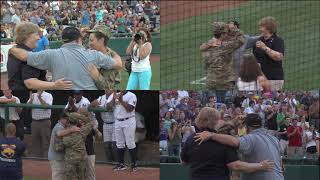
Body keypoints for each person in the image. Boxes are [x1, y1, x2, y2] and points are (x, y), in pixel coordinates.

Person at [9, 26, 122, 90]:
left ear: (63, 40)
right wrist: (114, 54)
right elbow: (118, 64)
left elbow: (23, 55)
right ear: (79, 40)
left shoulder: (51, 54)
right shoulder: (94, 54)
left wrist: (12, 49)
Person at [181, 108, 274, 180]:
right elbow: (235, 166)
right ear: (214, 122)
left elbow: (184, 162)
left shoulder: (190, 139)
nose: (221, 121)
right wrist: (261, 166)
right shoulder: (223, 140)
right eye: (219, 119)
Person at [7, 22, 72, 90]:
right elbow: (30, 83)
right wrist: (54, 85)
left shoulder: (17, 50)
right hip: (27, 96)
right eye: (36, 35)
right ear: (27, 36)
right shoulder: (24, 54)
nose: (38, 38)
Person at [199, 22, 245, 90]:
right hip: (224, 82)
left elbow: (202, 50)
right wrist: (233, 29)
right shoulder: (225, 46)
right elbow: (241, 39)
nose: (227, 34)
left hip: (210, 81)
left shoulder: (207, 46)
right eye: (226, 33)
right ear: (222, 34)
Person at [106, 91, 138, 171]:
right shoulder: (114, 94)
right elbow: (108, 108)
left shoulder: (131, 95)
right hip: (117, 121)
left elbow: (130, 109)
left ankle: (134, 165)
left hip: (129, 120)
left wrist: (121, 101)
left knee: (130, 143)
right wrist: (113, 99)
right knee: (119, 143)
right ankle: (120, 164)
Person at [84, 25, 121, 90]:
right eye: (89, 40)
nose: (89, 43)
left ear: (101, 41)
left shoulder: (110, 61)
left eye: (91, 40)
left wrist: (97, 77)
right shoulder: (90, 52)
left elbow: (108, 89)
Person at [253, 17, 285, 90]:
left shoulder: (278, 41)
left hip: (275, 78)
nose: (260, 29)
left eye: (262, 27)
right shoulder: (258, 41)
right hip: (261, 79)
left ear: (268, 28)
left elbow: (279, 57)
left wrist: (265, 48)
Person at [61, 111, 94, 180]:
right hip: (82, 158)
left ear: (69, 121)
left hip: (70, 159)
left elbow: (61, 144)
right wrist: (81, 116)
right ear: (77, 121)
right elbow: (91, 122)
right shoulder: (82, 131)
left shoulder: (64, 132)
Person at [48, 113, 80, 180]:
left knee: (61, 176)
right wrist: (71, 130)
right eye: (66, 119)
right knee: (57, 177)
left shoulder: (62, 126)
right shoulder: (59, 126)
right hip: (56, 157)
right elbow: (59, 133)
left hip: (58, 157)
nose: (68, 121)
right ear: (62, 119)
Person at [90, 90, 117, 162]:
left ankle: (117, 163)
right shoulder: (102, 98)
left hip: (115, 123)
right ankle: (110, 163)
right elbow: (91, 104)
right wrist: (97, 105)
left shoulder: (115, 96)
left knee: (114, 145)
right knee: (106, 146)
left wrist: (102, 107)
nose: (106, 90)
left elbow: (110, 107)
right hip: (105, 123)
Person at [27, 90, 53, 158]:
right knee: (35, 142)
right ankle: (36, 161)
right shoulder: (33, 95)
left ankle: (45, 160)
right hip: (34, 122)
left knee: (45, 143)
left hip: (45, 122)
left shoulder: (48, 95)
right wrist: (31, 100)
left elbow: (47, 107)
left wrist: (39, 98)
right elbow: (27, 107)